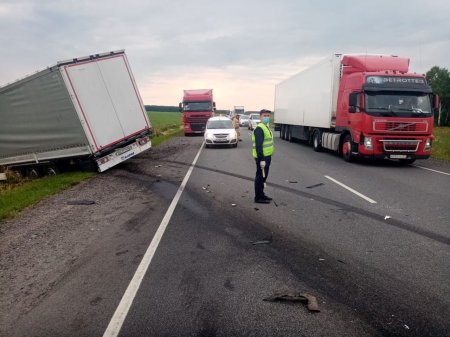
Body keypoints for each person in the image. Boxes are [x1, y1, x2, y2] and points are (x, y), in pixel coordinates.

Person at [252, 109, 274, 204]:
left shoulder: (266, 127)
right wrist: (261, 159)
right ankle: (258, 197)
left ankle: (262, 194)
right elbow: (258, 146)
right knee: (260, 177)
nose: (266, 117)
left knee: (263, 177)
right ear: (260, 117)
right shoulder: (259, 128)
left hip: (267, 156)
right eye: (264, 116)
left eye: (268, 116)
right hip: (262, 157)